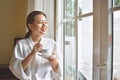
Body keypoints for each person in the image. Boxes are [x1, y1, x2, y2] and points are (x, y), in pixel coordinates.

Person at [9, 11, 63, 80]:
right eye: (40, 22)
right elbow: (17, 69)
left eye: (46, 22)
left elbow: (59, 71)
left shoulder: (51, 43)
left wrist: (53, 60)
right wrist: (32, 53)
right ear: (30, 26)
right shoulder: (21, 44)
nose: (44, 25)